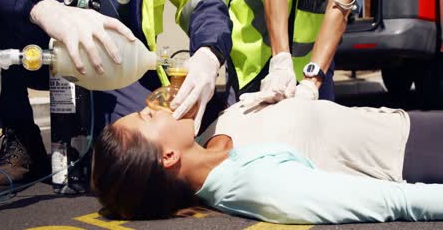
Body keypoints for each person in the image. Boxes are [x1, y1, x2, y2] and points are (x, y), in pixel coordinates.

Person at [0, 0, 232, 196]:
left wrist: (209, 51)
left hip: (115, 61)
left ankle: (83, 143)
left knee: (135, 153)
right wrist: (44, 7)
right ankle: (21, 134)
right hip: (35, 43)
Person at [92, 98, 443, 223]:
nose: (156, 107)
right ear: (168, 156)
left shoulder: (211, 144)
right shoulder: (260, 185)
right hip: (412, 152)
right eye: (148, 117)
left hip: (400, 124)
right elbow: (395, 201)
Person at [217, 0, 372, 104]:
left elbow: (341, 6)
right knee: (243, 130)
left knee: (314, 129)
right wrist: (280, 62)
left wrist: (312, 82)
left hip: (311, 59)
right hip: (253, 50)